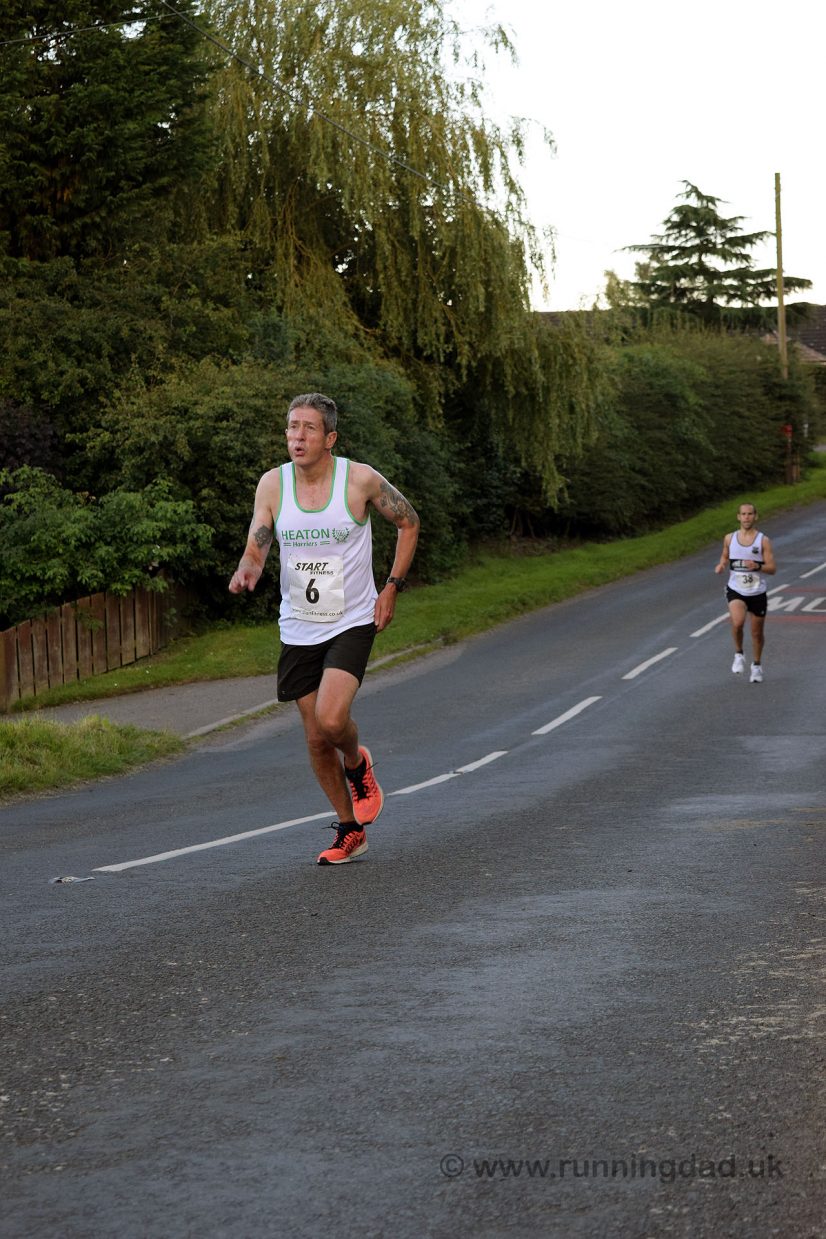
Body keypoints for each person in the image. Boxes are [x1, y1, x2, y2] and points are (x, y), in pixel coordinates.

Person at [229, 392, 419, 864]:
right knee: (315, 737)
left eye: (309, 428)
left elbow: (409, 522)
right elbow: (259, 539)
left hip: (353, 619)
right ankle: (350, 829)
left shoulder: (359, 480)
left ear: (329, 437)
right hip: (298, 625)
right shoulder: (273, 485)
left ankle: (357, 762)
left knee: (333, 721)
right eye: (292, 426)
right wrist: (249, 567)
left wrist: (392, 585)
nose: (297, 436)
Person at [714, 502, 776, 683]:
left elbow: (772, 568)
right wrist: (721, 565)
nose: (747, 517)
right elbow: (725, 555)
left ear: (755, 516)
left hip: (757, 592)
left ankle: (756, 666)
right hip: (736, 590)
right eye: (743, 514)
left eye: (750, 514)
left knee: (756, 633)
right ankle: (739, 654)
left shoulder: (763, 540)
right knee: (738, 621)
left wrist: (758, 566)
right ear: (738, 517)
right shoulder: (729, 538)